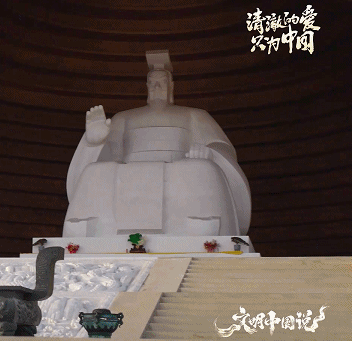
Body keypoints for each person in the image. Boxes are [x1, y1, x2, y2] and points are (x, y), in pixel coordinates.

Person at [64, 50, 251, 238]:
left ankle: (202, 227)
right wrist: (95, 143)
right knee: (94, 171)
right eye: (152, 82)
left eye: (162, 82)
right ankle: (84, 229)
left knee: (202, 168)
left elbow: (221, 148)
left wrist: (208, 152)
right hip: (127, 174)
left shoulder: (195, 115)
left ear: (171, 86)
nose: (157, 86)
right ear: (146, 86)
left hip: (179, 173)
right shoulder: (123, 118)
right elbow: (112, 156)